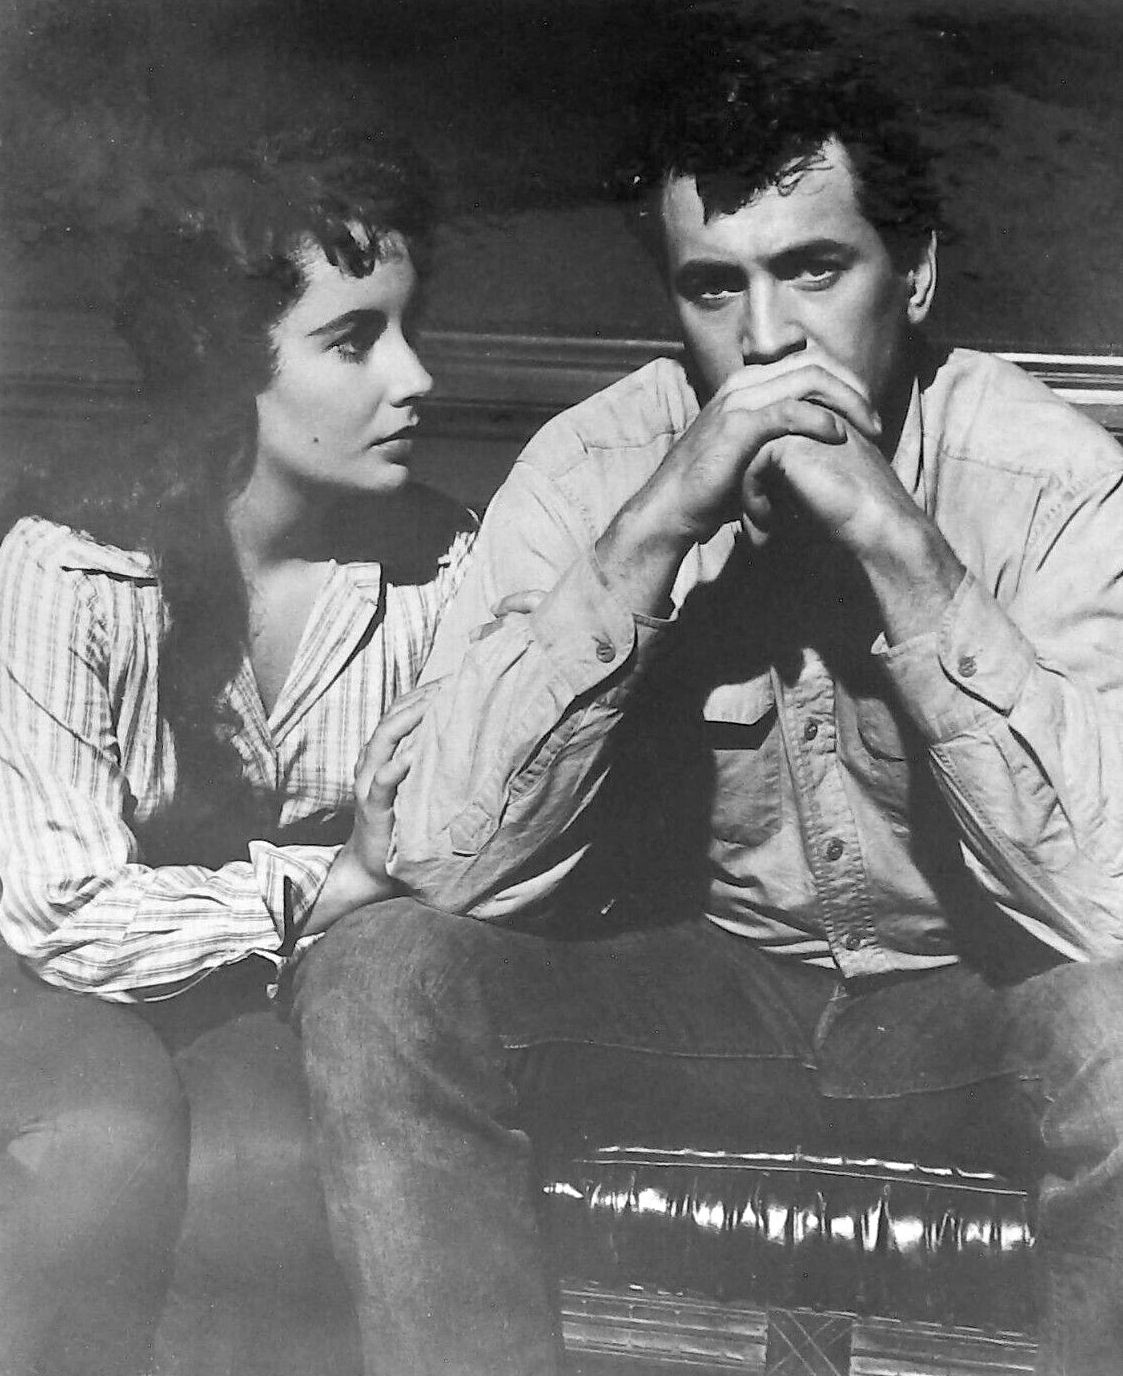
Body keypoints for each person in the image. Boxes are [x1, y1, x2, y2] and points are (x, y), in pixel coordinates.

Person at [290, 15, 1123, 1376]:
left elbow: (1104, 906)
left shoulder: (1051, 479)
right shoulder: (593, 466)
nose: (768, 339)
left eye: (814, 269)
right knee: (377, 974)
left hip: (979, 1004)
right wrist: (654, 530)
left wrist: (902, 552)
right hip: (706, 996)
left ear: (913, 274)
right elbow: (441, 855)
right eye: (713, 287)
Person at [0, 130, 476, 1376]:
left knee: (268, 1162)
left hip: (258, 993)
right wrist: (327, 883)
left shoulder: (441, 568)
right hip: (39, 984)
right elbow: (60, 909)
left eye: (410, 326)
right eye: (354, 340)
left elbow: (453, 848)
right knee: (101, 1137)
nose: (416, 376)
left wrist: (349, 894)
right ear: (225, 364)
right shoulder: (71, 567)